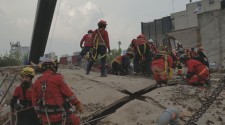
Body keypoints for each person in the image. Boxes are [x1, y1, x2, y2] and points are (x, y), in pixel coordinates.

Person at [32, 60, 83, 125]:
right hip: (61, 116)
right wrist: (77, 104)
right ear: (54, 68)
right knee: (76, 121)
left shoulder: (37, 82)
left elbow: (34, 101)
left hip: (46, 118)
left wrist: (39, 114)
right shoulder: (58, 78)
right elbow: (69, 94)